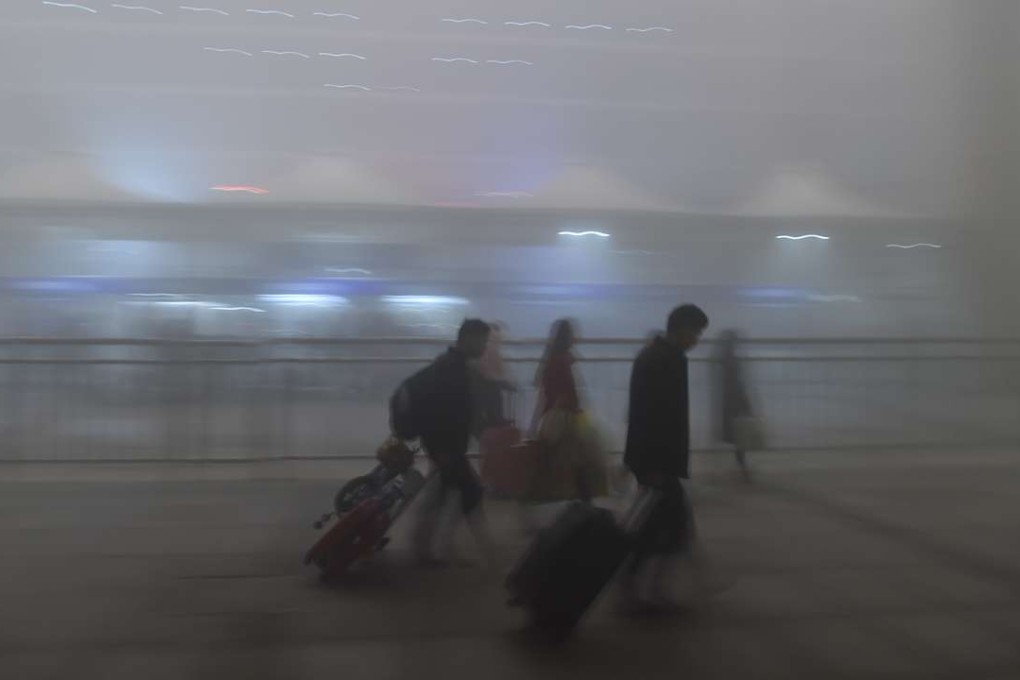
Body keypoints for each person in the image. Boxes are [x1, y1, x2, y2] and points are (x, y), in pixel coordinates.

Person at [621, 304, 712, 611]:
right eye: (696, 332)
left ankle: (648, 590)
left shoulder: (659, 356)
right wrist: (653, 466)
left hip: (657, 459)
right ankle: (643, 591)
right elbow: (651, 417)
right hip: (657, 461)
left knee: (663, 526)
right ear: (681, 328)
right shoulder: (663, 361)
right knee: (665, 527)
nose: (697, 339)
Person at [411, 319, 495, 566]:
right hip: (446, 446)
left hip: (445, 445)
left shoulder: (451, 365)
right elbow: (450, 412)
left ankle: (428, 546)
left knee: (443, 493)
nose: (484, 347)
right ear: (468, 338)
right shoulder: (453, 370)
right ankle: (485, 552)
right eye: (483, 340)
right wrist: (445, 448)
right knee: (469, 491)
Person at [714, 330, 754, 480]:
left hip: (728, 402)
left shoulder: (723, 359)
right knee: (740, 437)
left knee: (736, 436)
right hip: (736, 401)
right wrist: (747, 403)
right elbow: (738, 383)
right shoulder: (731, 360)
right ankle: (743, 469)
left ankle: (741, 468)